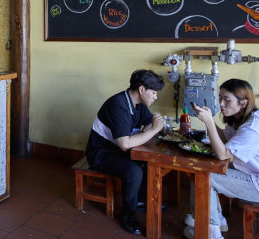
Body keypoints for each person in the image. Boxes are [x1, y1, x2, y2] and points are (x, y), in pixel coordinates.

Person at [85, 69, 165, 235]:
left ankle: (140, 199)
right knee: (133, 171)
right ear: (142, 89)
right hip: (101, 153)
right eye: (154, 93)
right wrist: (153, 130)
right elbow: (125, 144)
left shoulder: (139, 104)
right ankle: (128, 215)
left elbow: (150, 123)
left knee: (147, 160)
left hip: (117, 150)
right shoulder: (118, 104)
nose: (155, 97)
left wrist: (152, 128)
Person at [183, 79, 259, 239]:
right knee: (202, 171)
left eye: (227, 99)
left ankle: (212, 233)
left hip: (257, 183)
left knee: (204, 177)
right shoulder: (239, 117)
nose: (221, 103)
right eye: (220, 98)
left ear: (243, 103)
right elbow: (224, 138)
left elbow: (223, 154)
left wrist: (210, 123)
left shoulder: (252, 128)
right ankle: (217, 220)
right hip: (250, 173)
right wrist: (207, 119)